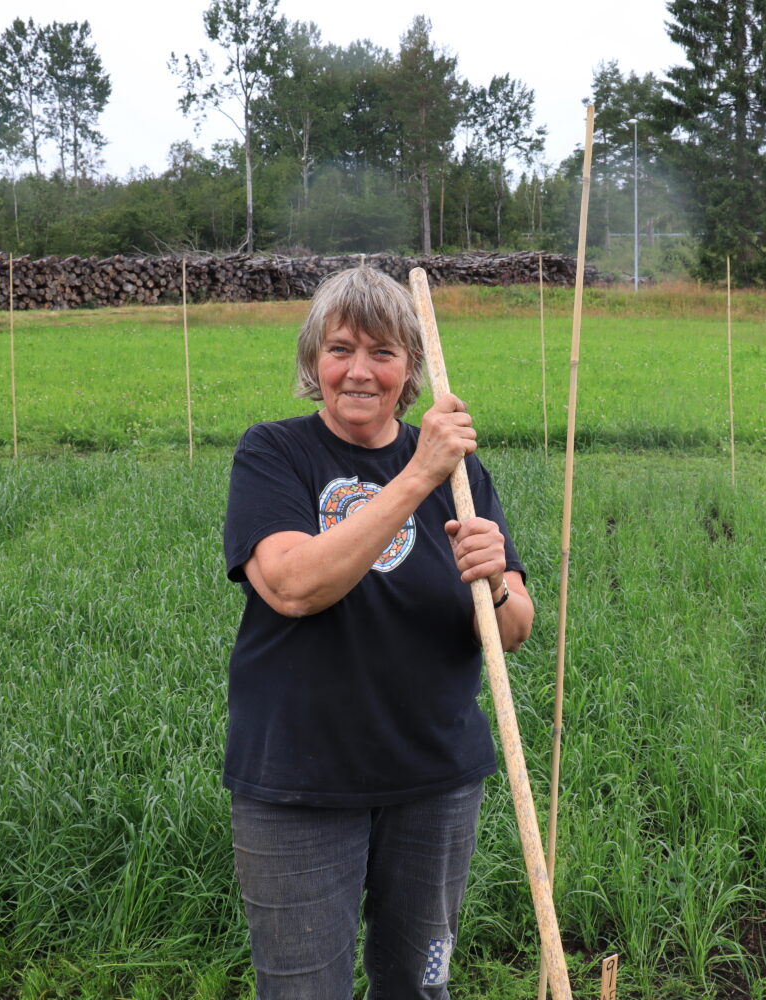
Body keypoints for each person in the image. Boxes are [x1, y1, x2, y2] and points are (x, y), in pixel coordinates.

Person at [221, 265, 534, 1000]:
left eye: (383, 352)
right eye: (339, 350)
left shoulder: (460, 474)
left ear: (411, 370)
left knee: (423, 985)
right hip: (297, 784)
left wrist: (495, 582)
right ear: (313, 362)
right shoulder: (274, 454)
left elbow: (515, 626)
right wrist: (417, 476)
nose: (359, 371)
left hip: (436, 784)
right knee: (302, 993)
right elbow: (294, 587)